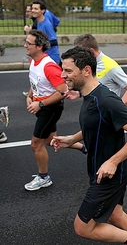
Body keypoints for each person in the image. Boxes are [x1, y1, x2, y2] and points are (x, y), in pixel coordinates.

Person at [50, 46, 127, 245]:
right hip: (101, 170)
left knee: (82, 227)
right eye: (63, 70)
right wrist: (72, 139)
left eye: (68, 71)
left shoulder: (106, 99)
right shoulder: (89, 96)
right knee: (115, 213)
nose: (62, 75)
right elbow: (97, 124)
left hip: (111, 175)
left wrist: (112, 162)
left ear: (86, 70)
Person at [73, 33, 127, 179]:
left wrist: (116, 109)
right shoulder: (90, 66)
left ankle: (119, 175)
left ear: (91, 52)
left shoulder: (110, 66)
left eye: (79, 55)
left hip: (106, 117)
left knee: (107, 154)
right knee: (98, 149)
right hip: (94, 112)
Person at [23, 30, 85, 191]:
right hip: (43, 106)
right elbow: (35, 81)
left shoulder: (49, 66)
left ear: (39, 46)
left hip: (50, 108)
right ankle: (85, 148)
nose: (25, 45)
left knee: (36, 144)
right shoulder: (34, 61)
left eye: (29, 43)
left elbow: (62, 91)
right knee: (52, 140)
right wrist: (29, 96)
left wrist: (40, 104)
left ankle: (44, 177)